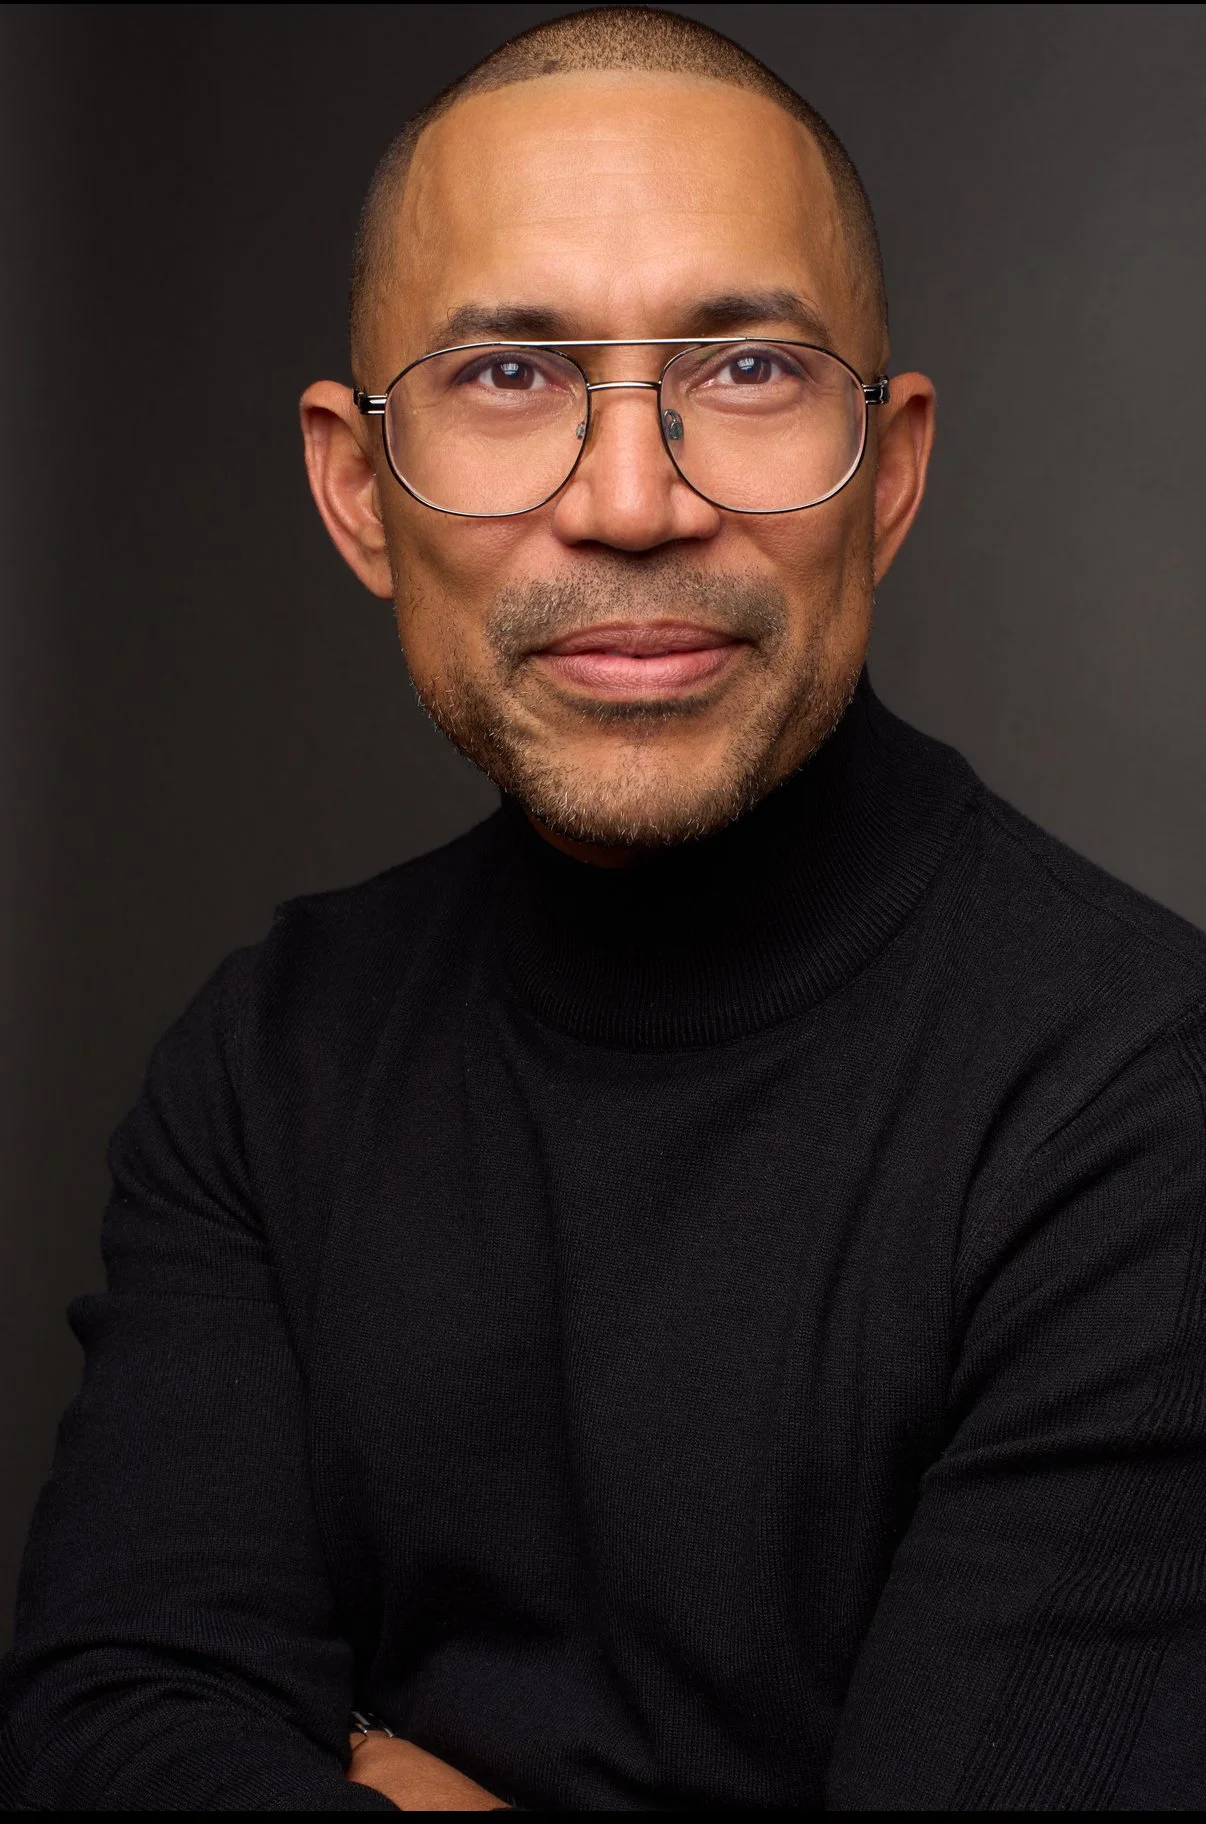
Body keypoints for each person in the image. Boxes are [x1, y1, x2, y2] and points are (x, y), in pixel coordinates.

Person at [3, 5, 1206, 1811]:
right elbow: (109, 1721)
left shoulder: (1145, 1107)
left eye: (747, 369)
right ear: (355, 490)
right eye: (507, 376)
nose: (632, 504)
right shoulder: (265, 1059)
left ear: (887, 473)